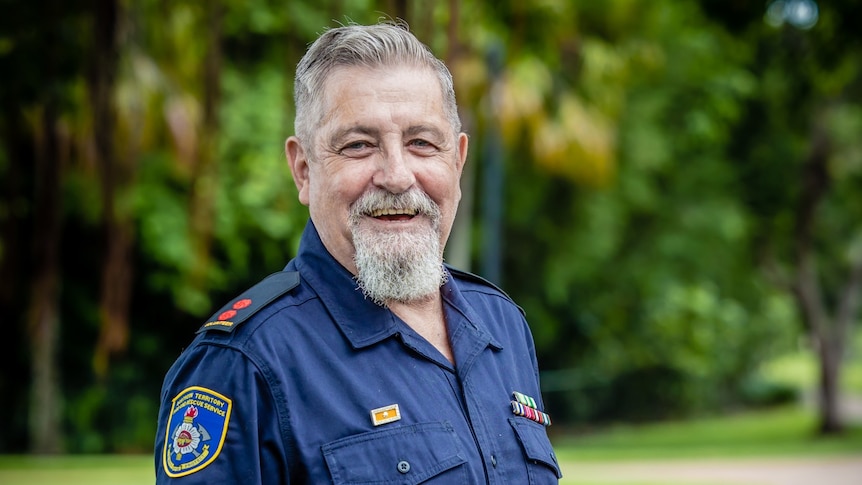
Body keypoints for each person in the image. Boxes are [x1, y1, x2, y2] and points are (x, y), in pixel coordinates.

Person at [154, 21, 561, 484]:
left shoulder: (501, 325)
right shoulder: (242, 364)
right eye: (359, 145)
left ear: (458, 161)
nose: (396, 175)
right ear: (304, 169)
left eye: (422, 143)